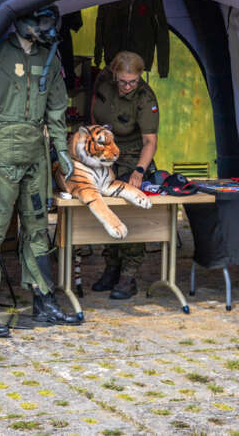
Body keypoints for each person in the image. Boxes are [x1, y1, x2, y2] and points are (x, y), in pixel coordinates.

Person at [0, 5, 81, 337]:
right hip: (2, 152)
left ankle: (44, 300)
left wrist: (61, 148)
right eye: (39, 21)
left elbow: (57, 109)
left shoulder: (50, 57)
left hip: (36, 155)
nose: (44, 28)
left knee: (37, 230)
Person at [88, 50, 159, 299]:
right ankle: (112, 267)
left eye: (133, 81)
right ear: (114, 74)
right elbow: (94, 116)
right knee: (106, 208)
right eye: (123, 81)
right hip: (106, 153)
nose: (128, 86)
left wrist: (139, 170)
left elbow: (150, 141)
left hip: (132, 155)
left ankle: (129, 276)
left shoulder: (145, 96)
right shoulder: (103, 85)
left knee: (129, 209)